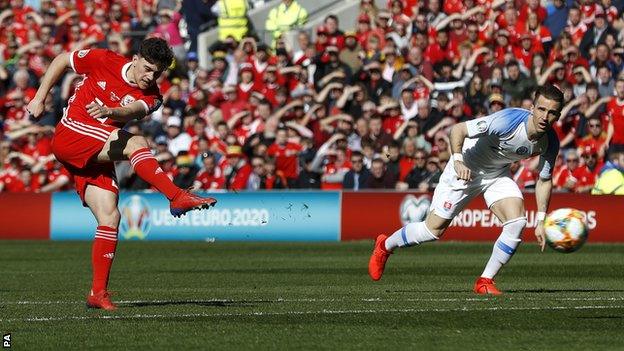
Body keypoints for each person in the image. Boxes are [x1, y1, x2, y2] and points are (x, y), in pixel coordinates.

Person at [26, 38, 218, 311]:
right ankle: (176, 196)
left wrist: (111, 111)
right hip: (71, 133)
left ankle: (98, 292)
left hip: (99, 146)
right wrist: (39, 97)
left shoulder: (153, 96)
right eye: (148, 68)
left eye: (157, 73)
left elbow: (133, 110)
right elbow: (61, 60)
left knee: (110, 216)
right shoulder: (104, 59)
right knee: (137, 144)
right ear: (137, 58)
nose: (150, 76)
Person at [368, 84, 564, 295]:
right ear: (533, 108)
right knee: (432, 231)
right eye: (542, 109)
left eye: (552, 112)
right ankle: (385, 245)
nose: (545, 116)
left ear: (558, 116)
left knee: (517, 222)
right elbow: (458, 129)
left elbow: (544, 180)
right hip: (465, 168)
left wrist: (542, 221)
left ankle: (485, 281)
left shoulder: (550, 142)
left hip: (496, 174)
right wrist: (458, 161)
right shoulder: (507, 120)